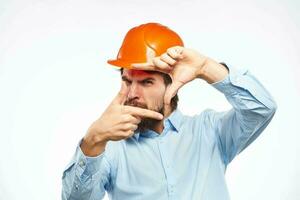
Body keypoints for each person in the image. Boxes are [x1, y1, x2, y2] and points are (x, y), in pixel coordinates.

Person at [62, 23, 277, 200]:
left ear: (172, 84)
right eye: (127, 81)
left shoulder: (210, 131)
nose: (132, 93)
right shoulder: (110, 148)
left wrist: (205, 68)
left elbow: (262, 108)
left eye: (146, 82)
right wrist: (92, 141)